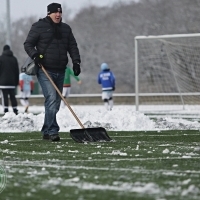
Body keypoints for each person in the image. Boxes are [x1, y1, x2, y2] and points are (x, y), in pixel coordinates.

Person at [24, 3, 81, 142]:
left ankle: (46, 130)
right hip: (45, 69)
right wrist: (35, 55)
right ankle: (53, 131)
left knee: (55, 103)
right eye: (55, 12)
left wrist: (76, 62)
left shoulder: (66, 29)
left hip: (61, 70)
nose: (58, 15)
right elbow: (28, 44)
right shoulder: (39, 26)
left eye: (60, 12)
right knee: (51, 98)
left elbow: (72, 46)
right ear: (49, 13)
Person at [0, 45, 19, 115]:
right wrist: (16, 82)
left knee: (4, 96)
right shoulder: (14, 59)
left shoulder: (1, 58)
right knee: (12, 96)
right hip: (12, 82)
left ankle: (5, 109)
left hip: (2, 82)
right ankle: (15, 109)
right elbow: (17, 71)